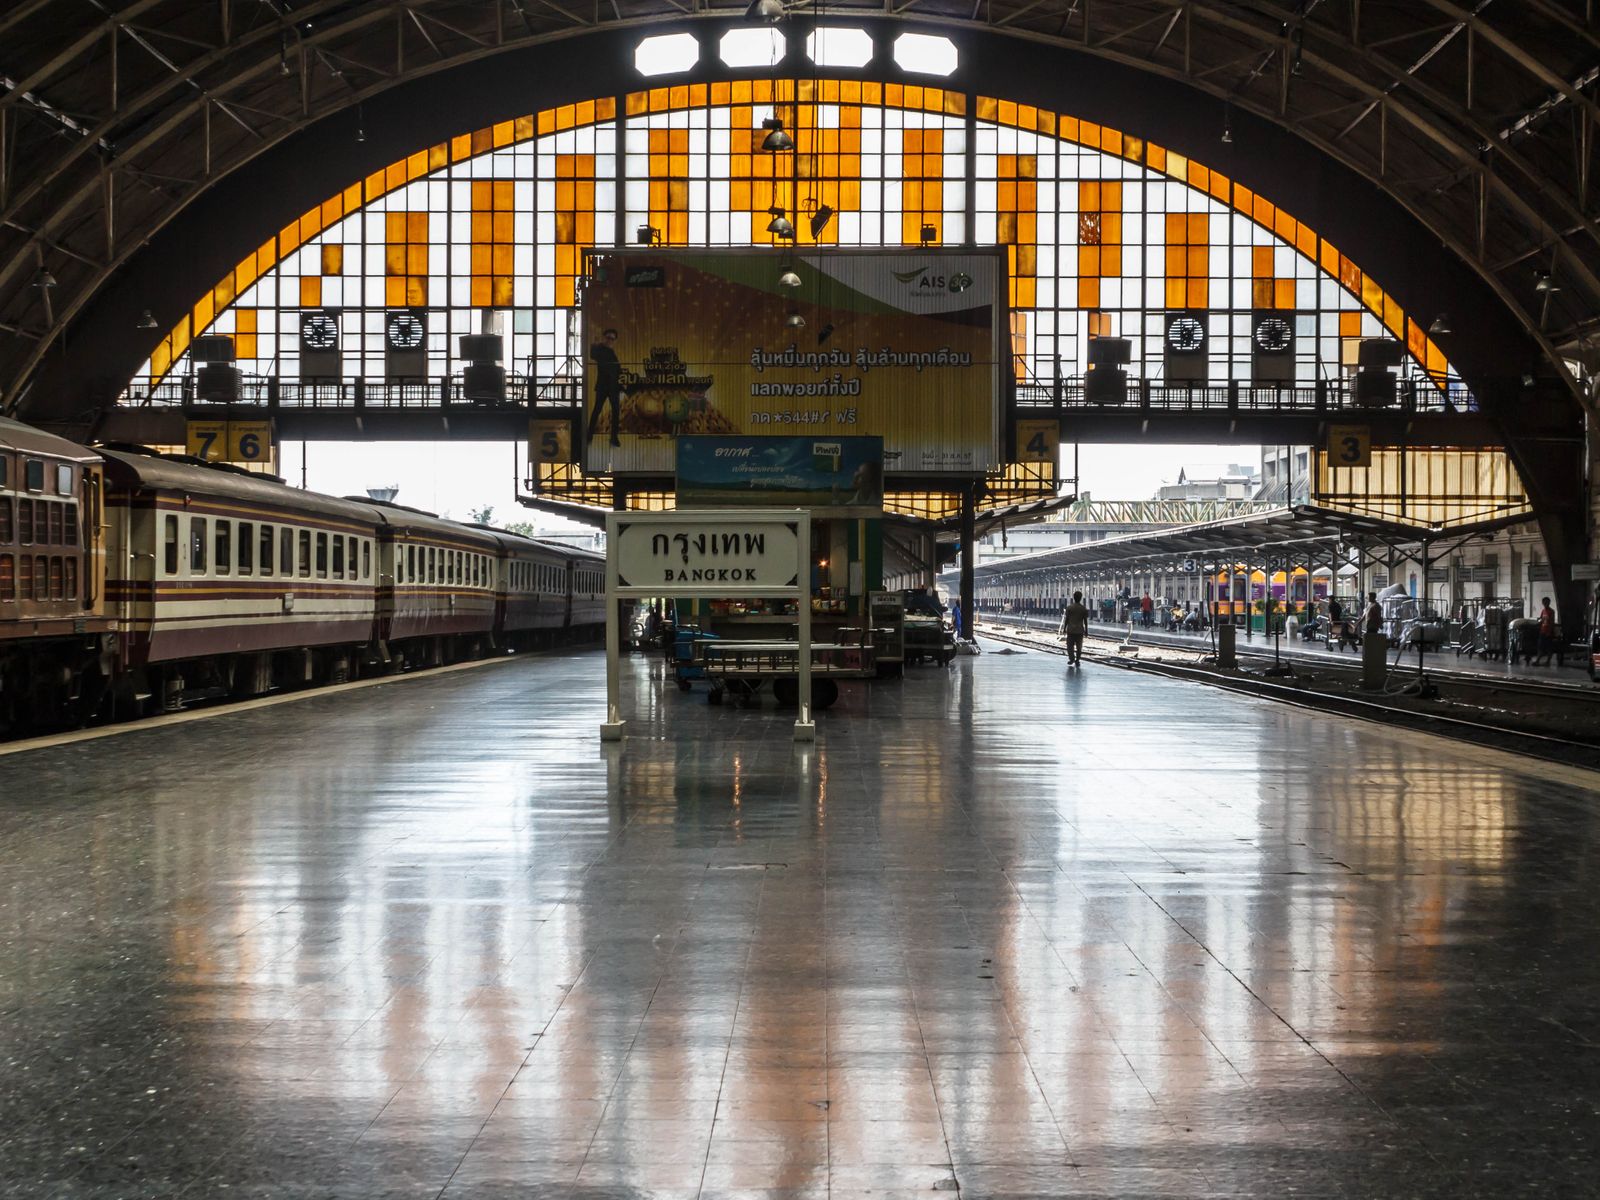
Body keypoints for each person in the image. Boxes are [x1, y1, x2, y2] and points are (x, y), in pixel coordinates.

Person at [586, 327, 624, 448]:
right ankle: (589, 434)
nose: (610, 340)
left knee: (615, 412)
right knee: (597, 409)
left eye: (612, 339)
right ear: (604, 338)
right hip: (604, 386)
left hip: (612, 387)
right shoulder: (601, 349)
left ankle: (613, 437)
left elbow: (617, 371)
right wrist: (594, 344)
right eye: (608, 338)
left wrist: (621, 384)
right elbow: (593, 355)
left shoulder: (612, 353)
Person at [1061, 590, 1089, 667]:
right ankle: (1077, 660)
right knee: (1079, 647)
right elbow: (1085, 621)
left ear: (1073, 598)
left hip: (1071, 630)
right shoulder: (1083, 609)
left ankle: (1071, 659)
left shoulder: (1069, 608)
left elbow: (1066, 619)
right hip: (1079, 630)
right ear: (1080, 598)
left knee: (1070, 646)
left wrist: (1064, 628)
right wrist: (1086, 630)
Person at [1536, 595, 1558, 665]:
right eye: (1544, 603)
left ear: (1549, 603)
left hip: (1548, 632)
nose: (1546, 604)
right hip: (1542, 631)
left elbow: (1552, 622)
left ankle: (1547, 661)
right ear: (1543, 603)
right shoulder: (1543, 611)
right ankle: (1538, 660)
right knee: (1540, 646)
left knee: (1548, 647)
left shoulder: (1551, 611)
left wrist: (1549, 631)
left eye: (1547, 602)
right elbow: (1541, 619)